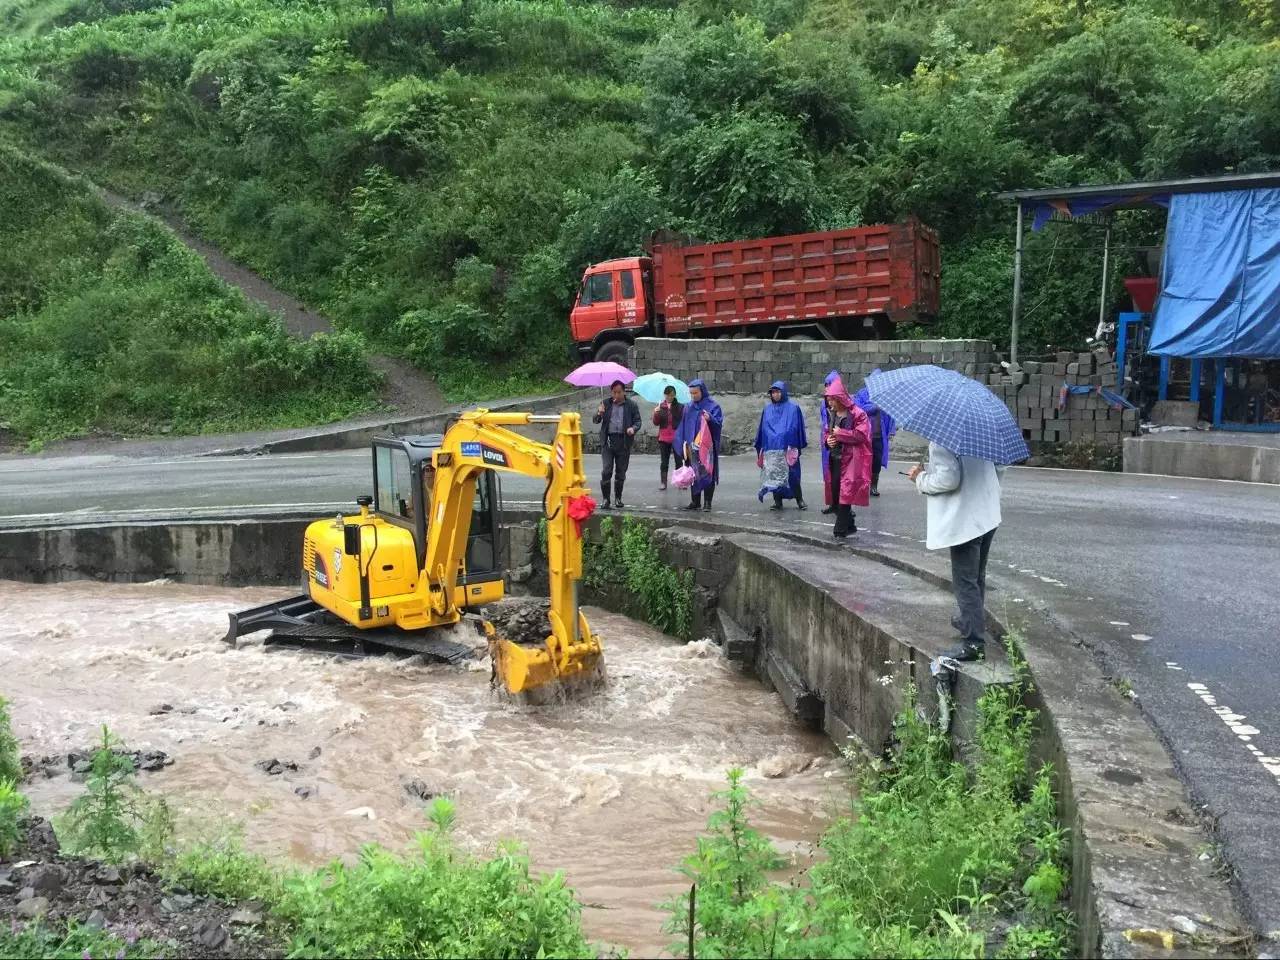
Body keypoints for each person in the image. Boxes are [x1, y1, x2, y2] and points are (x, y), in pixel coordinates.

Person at [908, 444, 1006, 661]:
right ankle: (970, 621)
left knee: (965, 581)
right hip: (988, 510)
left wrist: (920, 478)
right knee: (976, 575)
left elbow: (949, 479)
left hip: (965, 518)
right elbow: (1001, 465)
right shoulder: (980, 430)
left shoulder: (943, 439)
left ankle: (973, 643)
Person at [823, 377, 871, 538]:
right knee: (836, 493)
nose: (830, 403)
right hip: (835, 458)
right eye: (828, 400)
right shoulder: (832, 413)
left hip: (851, 460)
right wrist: (827, 440)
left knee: (846, 492)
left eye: (832, 400)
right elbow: (827, 432)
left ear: (840, 398)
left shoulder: (858, 414)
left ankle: (840, 530)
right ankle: (849, 524)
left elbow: (861, 435)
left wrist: (840, 434)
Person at [754, 380, 807, 510]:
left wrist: (793, 443)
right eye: (773, 392)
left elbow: (796, 427)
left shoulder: (793, 408)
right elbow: (763, 428)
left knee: (793, 475)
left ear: (783, 392)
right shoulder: (767, 409)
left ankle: (799, 499)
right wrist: (762, 445)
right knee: (774, 475)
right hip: (772, 448)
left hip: (787, 448)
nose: (775, 395)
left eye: (778, 392)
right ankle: (778, 502)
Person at [675, 378, 723, 512]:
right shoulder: (688, 407)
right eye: (691, 393)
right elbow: (683, 426)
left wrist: (711, 419)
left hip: (707, 448)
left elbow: (718, 424)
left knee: (708, 473)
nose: (693, 396)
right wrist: (683, 445)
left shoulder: (713, 406)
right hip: (692, 447)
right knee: (694, 474)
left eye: (695, 393)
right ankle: (695, 501)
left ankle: (708, 502)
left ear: (702, 391)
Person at [593, 379, 641, 509]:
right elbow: (595, 420)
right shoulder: (605, 404)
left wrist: (633, 429)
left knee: (621, 472)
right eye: (614, 392)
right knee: (606, 470)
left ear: (624, 392)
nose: (616, 395)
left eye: (619, 392)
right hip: (608, 441)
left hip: (623, 441)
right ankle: (606, 499)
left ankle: (618, 498)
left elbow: (638, 421)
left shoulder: (631, 405)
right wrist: (599, 413)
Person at [855, 370, 896, 497]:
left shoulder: (886, 395)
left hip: (879, 435)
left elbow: (891, 413)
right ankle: (862, 486)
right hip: (864, 435)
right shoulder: (862, 393)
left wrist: (891, 430)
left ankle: (873, 486)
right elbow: (858, 408)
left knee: (876, 461)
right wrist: (874, 407)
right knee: (863, 461)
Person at [651, 385, 684, 490]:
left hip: (676, 437)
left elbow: (682, 421)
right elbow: (656, 423)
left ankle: (680, 481)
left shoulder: (680, 407)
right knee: (664, 461)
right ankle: (663, 483)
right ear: (665, 395)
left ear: (674, 395)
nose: (670, 397)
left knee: (679, 460)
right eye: (668, 395)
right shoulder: (660, 407)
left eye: (672, 395)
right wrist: (656, 413)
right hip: (664, 438)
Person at [819, 370, 840, 514]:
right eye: (826, 384)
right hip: (828, 441)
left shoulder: (845, 403)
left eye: (830, 384)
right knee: (829, 474)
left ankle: (844, 506)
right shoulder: (824, 403)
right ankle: (833, 503)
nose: (827, 387)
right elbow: (824, 422)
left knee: (842, 477)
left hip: (840, 441)